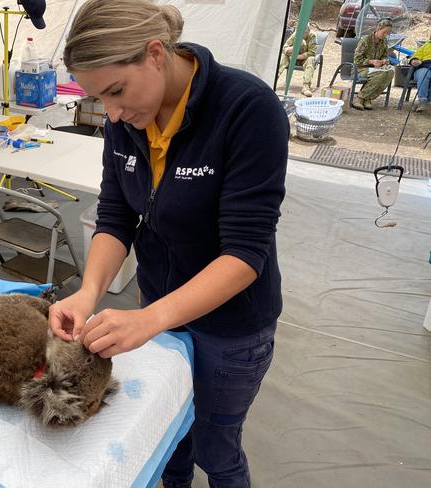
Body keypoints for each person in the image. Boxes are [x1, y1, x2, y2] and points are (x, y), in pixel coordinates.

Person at [48, 1, 289, 487]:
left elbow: (245, 254)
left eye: (117, 92)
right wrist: (87, 294)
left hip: (230, 325)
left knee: (215, 445)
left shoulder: (246, 109)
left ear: (155, 53)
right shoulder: (124, 122)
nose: (112, 114)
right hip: (156, 303)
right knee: (166, 433)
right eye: (99, 101)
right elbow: (117, 216)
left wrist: (151, 319)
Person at [352, 18, 394, 110]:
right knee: (379, 74)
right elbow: (357, 60)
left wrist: (385, 61)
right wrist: (371, 62)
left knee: (390, 72)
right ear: (378, 29)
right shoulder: (365, 41)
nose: (386, 35)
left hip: (375, 69)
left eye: (388, 33)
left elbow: (384, 55)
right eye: (384, 32)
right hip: (359, 69)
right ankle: (360, 98)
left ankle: (368, 98)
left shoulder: (384, 42)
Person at [277, 24, 318, 97]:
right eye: (300, 32)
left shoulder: (312, 36)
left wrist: (298, 57)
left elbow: (312, 52)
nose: (302, 34)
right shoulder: (295, 34)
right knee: (283, 57)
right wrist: (291, 49)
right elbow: (285, 47)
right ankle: (273, 81)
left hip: (304, 59)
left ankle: (306, 87)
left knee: (311, 59)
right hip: (291, 57)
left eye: (304, 33)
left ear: (308, 31)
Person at [409, 33, 431, 112]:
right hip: (423, 67)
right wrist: (414, 60)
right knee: (424, 73)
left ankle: (428, 101)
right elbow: (415, 56)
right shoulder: (425, 45)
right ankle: (422, 101)